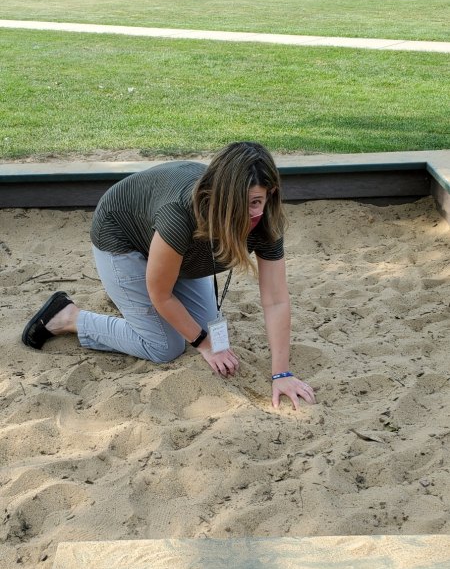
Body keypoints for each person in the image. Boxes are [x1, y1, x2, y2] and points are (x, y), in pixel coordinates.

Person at [22, 141, 315, 410]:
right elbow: (160, 293)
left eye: (255, 202)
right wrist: (204, 345)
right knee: (165, 346)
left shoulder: (266, 222)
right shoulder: (180, 211)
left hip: (178, 256)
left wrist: (282, 373)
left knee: (204, 327)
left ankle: (131, 302)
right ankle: (68, 317)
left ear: (270, 194)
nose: (246, 213)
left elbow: (276, 299)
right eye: (238, 203)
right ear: (218, 193)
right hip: (123, 237)